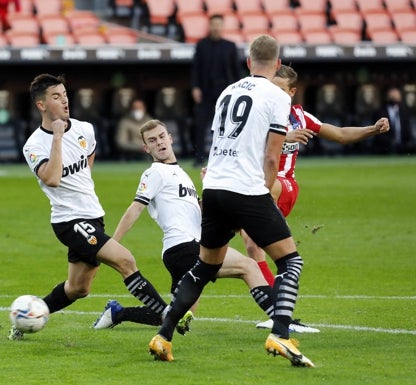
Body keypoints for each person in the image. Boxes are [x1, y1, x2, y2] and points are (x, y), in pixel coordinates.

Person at [148, 35, 315, 367]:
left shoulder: (228, 91)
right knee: (290, 261)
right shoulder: (277, 97)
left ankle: (163, 336)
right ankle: (281, 333)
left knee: (204, 266)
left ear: (248, 62)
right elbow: (271, 157)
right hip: (247, 189)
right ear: (278, 65)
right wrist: (266, 195)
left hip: (214, 189)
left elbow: (220, 142)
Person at [92, 120, 318, 334]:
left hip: (180, 251)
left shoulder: (180, 174)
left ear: (171, 138)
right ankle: (282, 322)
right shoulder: (155, 172)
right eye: (152, 140)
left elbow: (200, 214)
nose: (159, 142)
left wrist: (207, 187)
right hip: (184, 247)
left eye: (162, 137)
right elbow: (135, 208)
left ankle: (118, 313)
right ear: (146, 148)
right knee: (249, 267)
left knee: (177, 314)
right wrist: (112, 245)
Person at [19, 73, 169, 340]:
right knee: (126, 260)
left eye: (65, 94)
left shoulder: (84, 129)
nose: (65, 100)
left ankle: (28, 315)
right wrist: (56, 137)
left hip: (93, 216)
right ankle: (169, 316)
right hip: (69, 221)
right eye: (56, 96)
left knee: (78, 288)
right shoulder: (34, 145)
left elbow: (87, 162)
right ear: (41, 105)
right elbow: (52, 179)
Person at [244, 64, 390, 330]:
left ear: (292, 92)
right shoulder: (259, 113)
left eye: (280, 90)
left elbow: (340, 134)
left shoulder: (299, 116)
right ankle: (279, 311)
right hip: (256, 186)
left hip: (281, 185)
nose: (273, 94)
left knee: (260, 209)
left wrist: (372, 129)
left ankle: (280, 313)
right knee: (253, 247)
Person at [190, 14, 240, 167]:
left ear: (223, 26)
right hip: (205, 92)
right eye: (214, 24)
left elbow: (236, 71)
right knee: (200, 125)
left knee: (227, 126)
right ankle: (199, 159)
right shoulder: (201, 45)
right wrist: (195, 87)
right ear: (209, 26)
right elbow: (195, 69)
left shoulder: (230, 46)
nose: (216, 27)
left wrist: (238, 91)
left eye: (219, 24)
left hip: (226, 94)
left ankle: (227, 157)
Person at [373, 87, 414, 154]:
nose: (394, 97)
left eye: (396, 95)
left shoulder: (405, 111)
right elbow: (378, 133)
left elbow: (408, 129)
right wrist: (390, 142)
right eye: (392, 95)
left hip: (404, 145)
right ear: (387, 97)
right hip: (386, 147)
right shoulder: (380, 112)